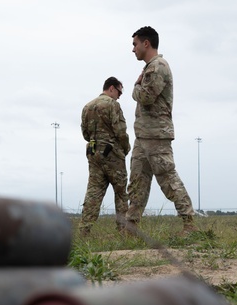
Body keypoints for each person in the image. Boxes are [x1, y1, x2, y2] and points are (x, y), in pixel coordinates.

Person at [125, 26, 196, 233]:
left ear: (146, 43)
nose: (133, 49)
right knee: (137, 183)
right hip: (143, 135)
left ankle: (188, 223)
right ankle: (131, 228)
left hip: (156, 135)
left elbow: (146, 97)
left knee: (168, 179)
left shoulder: (158, 66)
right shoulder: (150, 67)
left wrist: (135, 87)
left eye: (135, 44)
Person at [78, 77, 131, 235]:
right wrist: (125, 148)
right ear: (112, 88)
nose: (120, 95)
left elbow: (85, 133)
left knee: (94, 192)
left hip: (94, 153)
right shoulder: (112, 105)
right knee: (121, 193)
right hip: (112, 152)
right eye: (119, 92)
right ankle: (123, 231)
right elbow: (120, 131)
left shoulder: (87, 106)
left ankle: (84, 231)